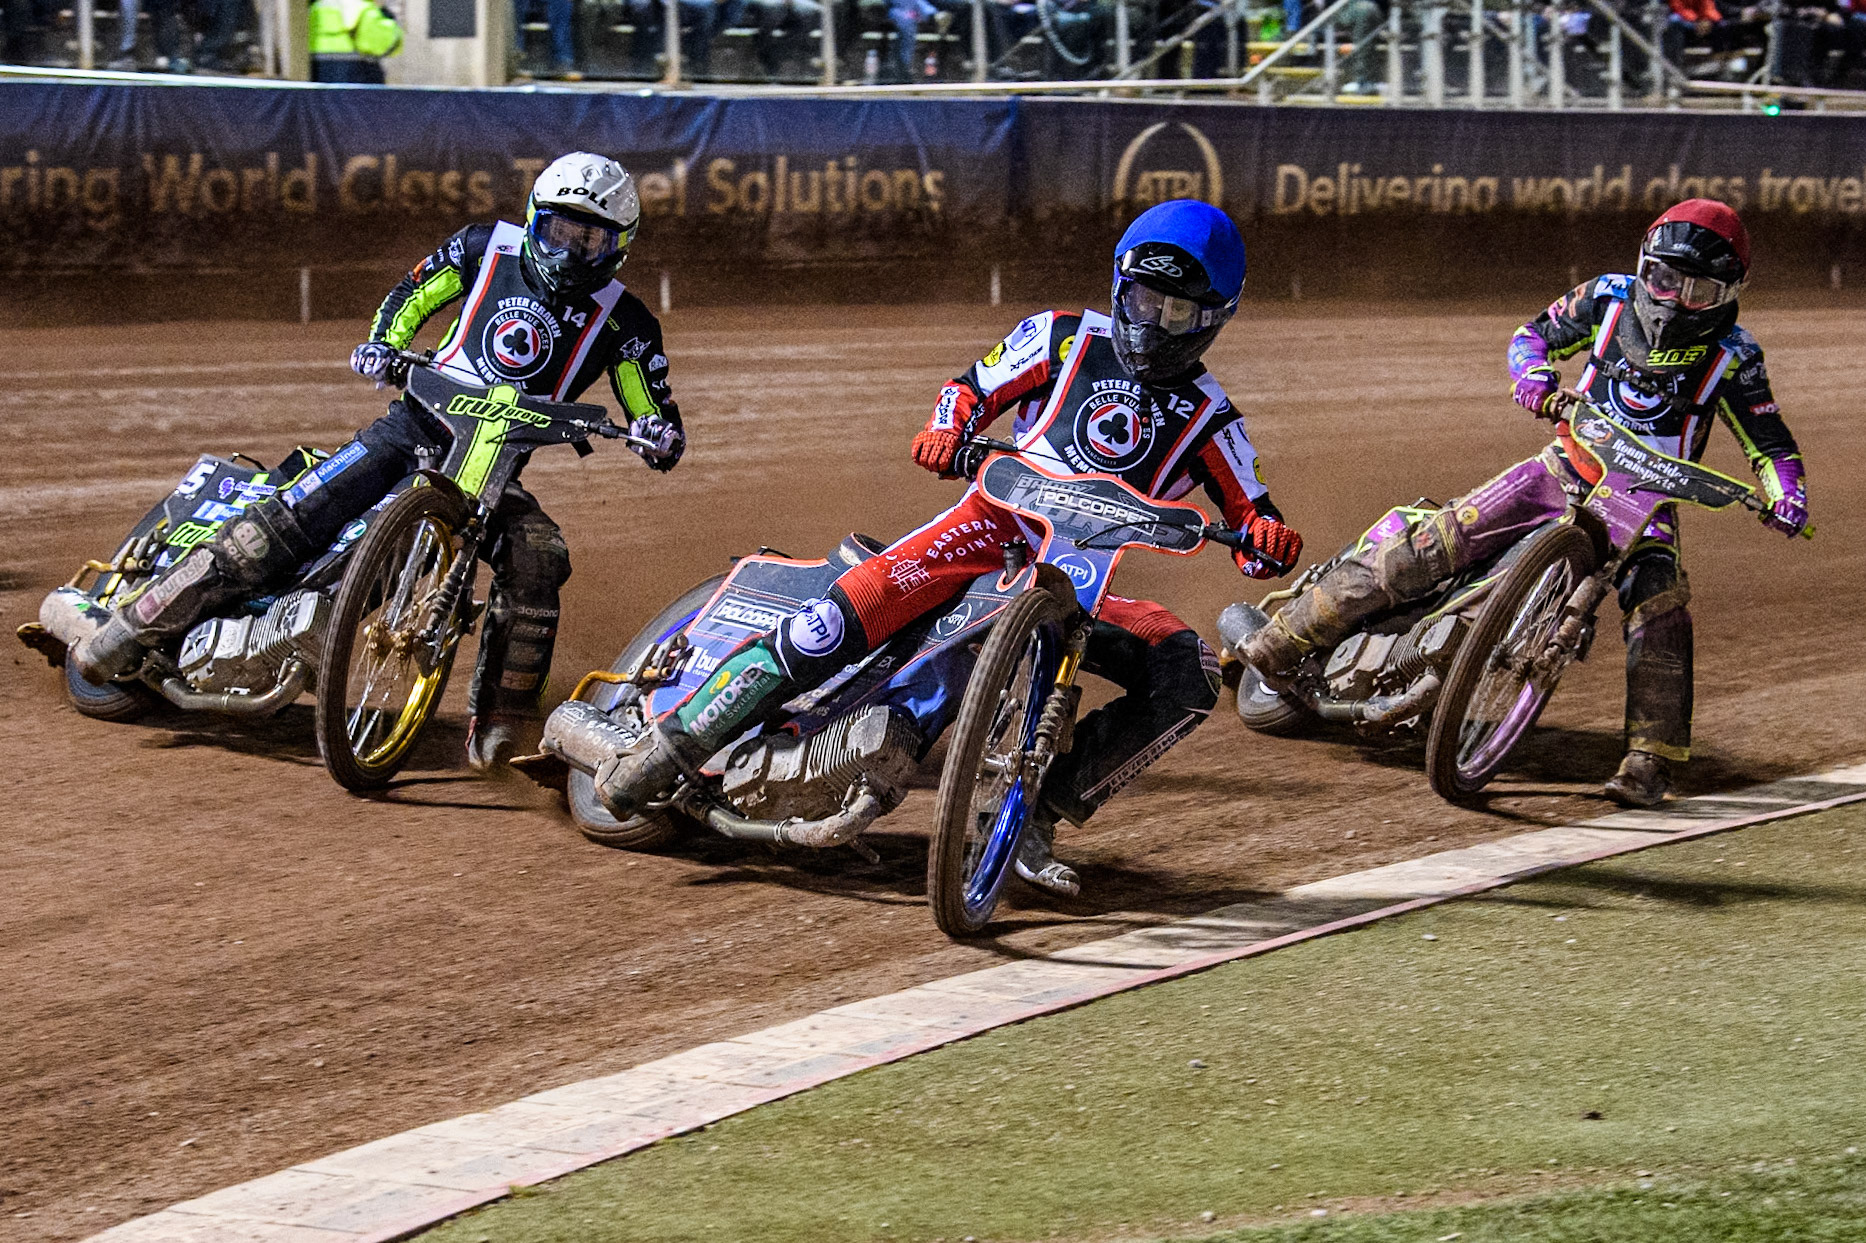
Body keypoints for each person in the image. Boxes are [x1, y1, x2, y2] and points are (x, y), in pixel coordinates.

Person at [584, 199, 1303, 897]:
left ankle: (1034, 819)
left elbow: (1253, 518)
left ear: (1213, 319)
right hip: (982, 534)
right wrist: (944, 430)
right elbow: (970, 389)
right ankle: (671, 742)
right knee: (827, 625)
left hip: (1079, 582)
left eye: (1178, 312)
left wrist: (1266, 542)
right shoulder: (1060, 334)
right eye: (1144, 300)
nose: (1154, 323)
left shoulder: (1213, 418)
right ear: (1120, 284)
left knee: (1191, 672)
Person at [73, 153, 687, 771]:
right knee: (296, 512)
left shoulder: (627, 323)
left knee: (538, 556)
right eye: (559, 231)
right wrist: (384, 346)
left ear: (620, 246)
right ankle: (137, 623)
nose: (570, 252)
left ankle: (505, 721)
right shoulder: (483, 247)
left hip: (493, 471)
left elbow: (649, 404)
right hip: (411, 425)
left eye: (591, 240)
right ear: (534, 218)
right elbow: (411, 296)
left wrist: (657, 434)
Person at [1240, 200, 1808, 808]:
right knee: (1430, 544)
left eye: (1698, 291)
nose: (1674, 300)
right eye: (1665, 279)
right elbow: (1531, 334)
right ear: (1644, 266)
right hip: (1562, 467)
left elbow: (1770, 442)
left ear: (1730, 294)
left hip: (1645, 507)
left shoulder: (1737, 356)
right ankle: (1280, 640)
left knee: (1662, 610)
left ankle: (1649, 761)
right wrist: (1533, 375)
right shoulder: (1607, 297)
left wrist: (1787, 493)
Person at [309, 0, 403, 81]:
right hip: (353, 75)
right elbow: (384, 43)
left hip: (319, 74)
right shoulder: (359, 6)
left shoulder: (315, 7)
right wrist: (390, 18)